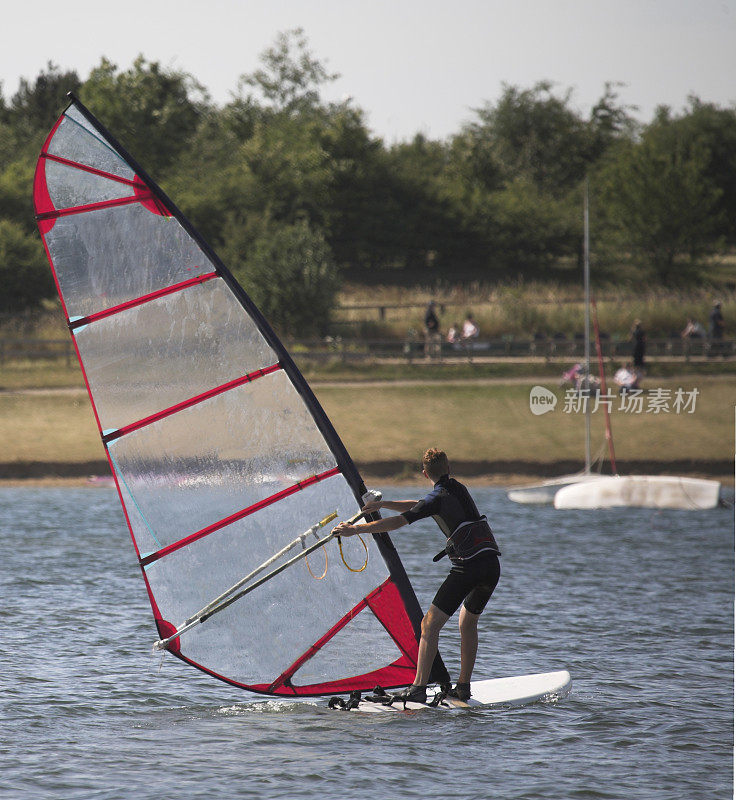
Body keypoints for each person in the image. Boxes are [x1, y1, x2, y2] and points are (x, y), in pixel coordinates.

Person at [332, 448, 500, 704]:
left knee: (429, 625)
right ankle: (463, 687)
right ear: (448, 468)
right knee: (467, 623)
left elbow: (400, 521)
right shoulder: (457, 489)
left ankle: (419, 687)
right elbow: (421, 506)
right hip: (491, 567)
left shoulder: (437, 498)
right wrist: (382, 505)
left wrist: (355, 529)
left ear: (424, 473)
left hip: (468, 567)